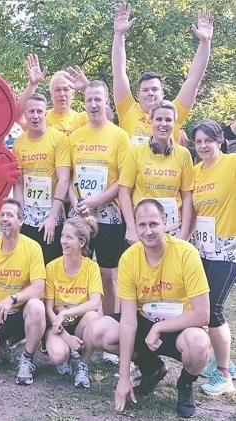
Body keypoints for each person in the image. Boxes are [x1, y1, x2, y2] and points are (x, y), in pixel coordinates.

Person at [82, 199, 211, 418]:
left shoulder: (186, 253)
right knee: (97, 331)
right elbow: (129, 321)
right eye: (142, 225)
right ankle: (152, 367)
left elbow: (202, 314)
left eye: (153, 224)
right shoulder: (129, 259)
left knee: (198, 345)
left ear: (165, 222)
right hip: (144, 322)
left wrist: (160, 328)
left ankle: (186, 383)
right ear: (134, 225)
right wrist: (124, 376)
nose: (148, 231)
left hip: (181, 325)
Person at [67, 81, 129, 365]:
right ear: (85, 103)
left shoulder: (119, 136)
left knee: (108, 276)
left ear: (107, 103)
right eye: (89, 100)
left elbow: (122, 181)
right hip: (79, 215)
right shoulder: (75, 136)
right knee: (76, 272)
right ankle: (76, 331)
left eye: (99, 100)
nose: (93, 105)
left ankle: (109, 337)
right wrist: (75, 203)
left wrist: (97, 201)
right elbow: (67, 177)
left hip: (108, 216)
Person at [112, 2, 213, 146]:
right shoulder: (127, 109)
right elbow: (118, 71)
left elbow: (193, 80)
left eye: (155, 89)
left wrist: (205, 42)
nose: (150, 93)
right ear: (137, 95)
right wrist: (119, 34)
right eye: (145, 90)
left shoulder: (172, 112)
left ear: (162, 94)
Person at [0, 198, 46, 386]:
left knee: (37, 307)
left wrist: (12, 298)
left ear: (21, 221)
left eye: (10, 215)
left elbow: (39, 287)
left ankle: (27, 359)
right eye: (2, 215)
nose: (4, 219)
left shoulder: (32, 248)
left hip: (23, 311)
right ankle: (3, 342)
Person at [190, 120, 236, 395]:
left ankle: (223, 374)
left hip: (228, 250)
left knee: (213, 308)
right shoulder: (195, 172)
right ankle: (224, 362)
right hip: (202, 250)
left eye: (209, 140)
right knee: (204, 310)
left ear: (220, 141)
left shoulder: (231, 165)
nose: (204, 145)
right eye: (199, 142)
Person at [119, 101, 194, 245]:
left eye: (168, 120)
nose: (163, 124)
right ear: (150, 121)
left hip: (173, 229)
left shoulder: (184, 154)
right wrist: (131, 227)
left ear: (174, 122)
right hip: (143, 230)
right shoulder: (136, 152)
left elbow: (187, 196)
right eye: (159, 119)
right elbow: (124, 191)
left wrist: (184, 232)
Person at [44, 216, 102, 388]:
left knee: (92, 316)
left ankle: (82, 365)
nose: (63, 241)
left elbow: (94, 304)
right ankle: (67, 354)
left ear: (82, 242)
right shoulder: (52, 267)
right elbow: (48, 309)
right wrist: (65, 336)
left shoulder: (91, 267)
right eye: (63, 236)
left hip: (79, 323)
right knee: (57, 355)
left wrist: (64, 312)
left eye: (69, 237)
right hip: (56, 325)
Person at [13, 93, 70, 264]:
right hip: (28, 215)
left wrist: (52, 217)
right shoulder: (18, 143)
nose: (35, 116)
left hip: (52, 215)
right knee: (27, 266)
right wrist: (19, 215)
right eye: (31, 112)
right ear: (25, 114)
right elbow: (19, 183)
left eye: (39, 111)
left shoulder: (58, 139)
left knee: (51, 266)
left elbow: (64, 179)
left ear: (46, 114)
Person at [16, 54, 95, 135]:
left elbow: (108, 119)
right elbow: (18, 117)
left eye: (66, 89)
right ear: (51, 95)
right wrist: (32, 85)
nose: (62, 94)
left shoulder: (83, 119)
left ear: (73, 94)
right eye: (57, 90)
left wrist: (87, 88)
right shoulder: (41, 118)